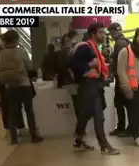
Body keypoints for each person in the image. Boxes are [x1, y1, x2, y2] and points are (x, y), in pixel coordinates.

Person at [70, 22, 120, 155]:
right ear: (93, 33)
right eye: (100, 32)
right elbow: (73, 65)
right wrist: (89, 64)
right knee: (99, 116)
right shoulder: (85, 47)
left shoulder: (94, 47)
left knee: (85, 115)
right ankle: (104, 145)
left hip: (94, 85)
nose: (103, 35)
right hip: (89, 86)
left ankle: (79, 140)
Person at [0, 30, 43, 145]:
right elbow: (29, 66)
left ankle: (13, 138)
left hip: (9, 86)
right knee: (29, 111)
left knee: (12, 112)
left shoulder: (1, 53)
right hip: (23, 84)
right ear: (16, 39)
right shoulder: (21, 51)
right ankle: (34, 136)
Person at [116, 28, 139, 147]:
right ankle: (136, 136)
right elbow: (121, 70)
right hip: (132, 87)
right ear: (136, 37)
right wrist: (125, 87)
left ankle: (138, 135)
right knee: (134, 113)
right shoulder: (125, 51)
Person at [0, 36, 26, 137]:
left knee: (8, 107)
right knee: (14, 106)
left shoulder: (0, 51)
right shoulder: (13, 50)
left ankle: (10, 130)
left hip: (3, 81)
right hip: (13, 81)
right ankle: (17, 128)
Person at [108, 22, 132, 136]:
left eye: (111, 32)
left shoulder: (120, 43)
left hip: (122, 77)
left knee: (120, 102)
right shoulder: (125, 42)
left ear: (114, 31)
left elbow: (119, 62)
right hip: (125, 77)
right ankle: (127, 127)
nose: (110, 35)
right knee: (124, 102)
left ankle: (124, 128)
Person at [56, 30, 79, 118]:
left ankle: (80, 127)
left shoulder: (71, 51)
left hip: (71, 80)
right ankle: (80, 127)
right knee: (77, 102)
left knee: (77, 102)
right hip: (70, 80)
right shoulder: (65, 52)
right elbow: (62, 67)